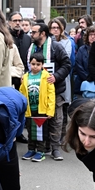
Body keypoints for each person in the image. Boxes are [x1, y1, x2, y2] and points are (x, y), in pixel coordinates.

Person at [28, 22, 72, 161]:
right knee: (39, 119)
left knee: (56, 119)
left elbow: (67, 65)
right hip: (36, 92)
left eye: (34, 32)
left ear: (42, 34)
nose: (31, 34)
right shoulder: (31, 48)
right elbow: (27, 67)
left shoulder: (55, 47)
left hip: (55, 90)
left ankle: (55, 148)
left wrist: (56, 77)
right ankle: (42, 147)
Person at [19, 53, 55, 161]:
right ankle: (31, 149)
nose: (35, 66)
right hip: (30, 110)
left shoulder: (47, 77)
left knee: (41, 132)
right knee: (30, 131)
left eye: (38, 64)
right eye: (33, 64)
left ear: (42, 65)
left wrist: (50, 111)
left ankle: (40, 151)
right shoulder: (25, 77)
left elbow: (51, 94)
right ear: (29, 63)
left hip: (42, 110)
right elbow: (22, 92)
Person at [71, 24, 95, 95]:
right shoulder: (82, 49)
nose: (92, 37)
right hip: (82, 83)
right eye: (90, 34)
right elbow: (78, 65)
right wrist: (88, 77)